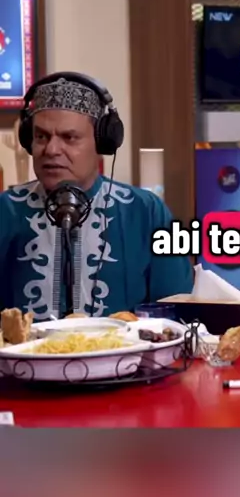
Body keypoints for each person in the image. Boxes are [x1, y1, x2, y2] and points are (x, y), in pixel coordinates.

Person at [0, 72, 193, 320]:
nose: (51, 149)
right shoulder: (6, 210)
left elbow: (177, 313)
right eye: (41, 137)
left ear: (102, 144)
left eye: (69, 137)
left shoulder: (145, 211)